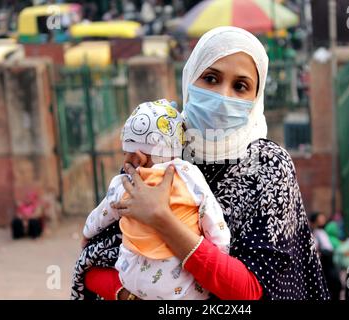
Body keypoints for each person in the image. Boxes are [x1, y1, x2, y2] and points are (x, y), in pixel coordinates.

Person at [73, 26, 330, 300]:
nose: (223, 97)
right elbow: (92, 259)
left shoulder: (268, 166)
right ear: (189, 78)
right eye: (210, 78)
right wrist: (129, 294)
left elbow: (255, 290)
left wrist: (162, 220)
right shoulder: (160, 147)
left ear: (256, 98)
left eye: (240, 86)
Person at [75, 100, 231, 300]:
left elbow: (102, 214)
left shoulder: (125, 182)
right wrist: (221, 248)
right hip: (180, 287)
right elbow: (210, 212)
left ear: (137, 158)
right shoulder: (188, 174)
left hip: (131, 278)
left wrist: (87, 233)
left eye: (126, 153)